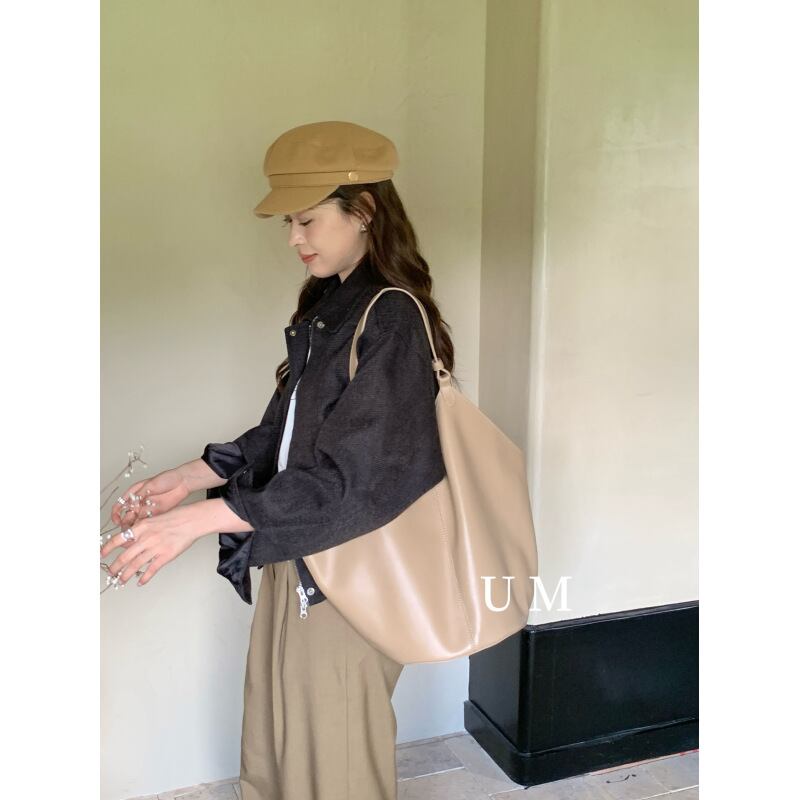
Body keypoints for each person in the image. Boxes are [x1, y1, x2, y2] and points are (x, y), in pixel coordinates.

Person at [101, 121, 457, 800]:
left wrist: (197, 522)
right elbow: (286, 434)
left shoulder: (390, 319)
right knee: (275, 742)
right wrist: (187, 480)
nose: (294, 238)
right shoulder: (335, 307)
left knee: (336, 765)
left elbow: (350, 483)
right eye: (290, 223)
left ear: (364, 211)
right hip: (298, 555)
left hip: (350, 573)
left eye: (306, 219)